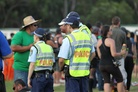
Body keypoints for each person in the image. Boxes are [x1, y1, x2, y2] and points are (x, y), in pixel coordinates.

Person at [58, 16, 95, 92]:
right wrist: (86, 62)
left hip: (72, 74)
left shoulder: (68, 39)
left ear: (69, 26)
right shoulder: (88, 37)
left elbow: (61, 60)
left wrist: (61, 68)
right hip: (85, 73)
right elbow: (93, 54)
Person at [11, 15, 40, 85]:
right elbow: (13, 47)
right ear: (29, 26)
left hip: (33, 69)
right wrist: (28, 47)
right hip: (21, 69)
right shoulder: (19, 35)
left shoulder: (35, 36)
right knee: (21, 89)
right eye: (35, 25)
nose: (37, 27)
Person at [96, 25, 126, 92]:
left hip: (102, 64)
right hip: (110, 64)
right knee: (120, 79)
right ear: (107, 32)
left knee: (106, 81)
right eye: (110, 30)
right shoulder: (111, 41)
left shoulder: (99, 41)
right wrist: (121, 53)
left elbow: (99, 55)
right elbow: (114, 54)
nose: (111, 31)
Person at [111, 16, 127, 86]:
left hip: (110, 57)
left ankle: (113, 88)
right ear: (119, 23)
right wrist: (123, 55)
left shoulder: (109, 32)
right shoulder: (122, 33)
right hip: (119, 56)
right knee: (122, 75)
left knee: (112, 75)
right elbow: (124, 46)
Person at [121, 27, 135, 91]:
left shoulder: (121, 40)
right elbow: (132, 50)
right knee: (129, 74)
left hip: (124, 58)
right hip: (130, 58)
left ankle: (123, 87)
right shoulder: (130, 40)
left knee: (123, 74)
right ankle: (128, 88)